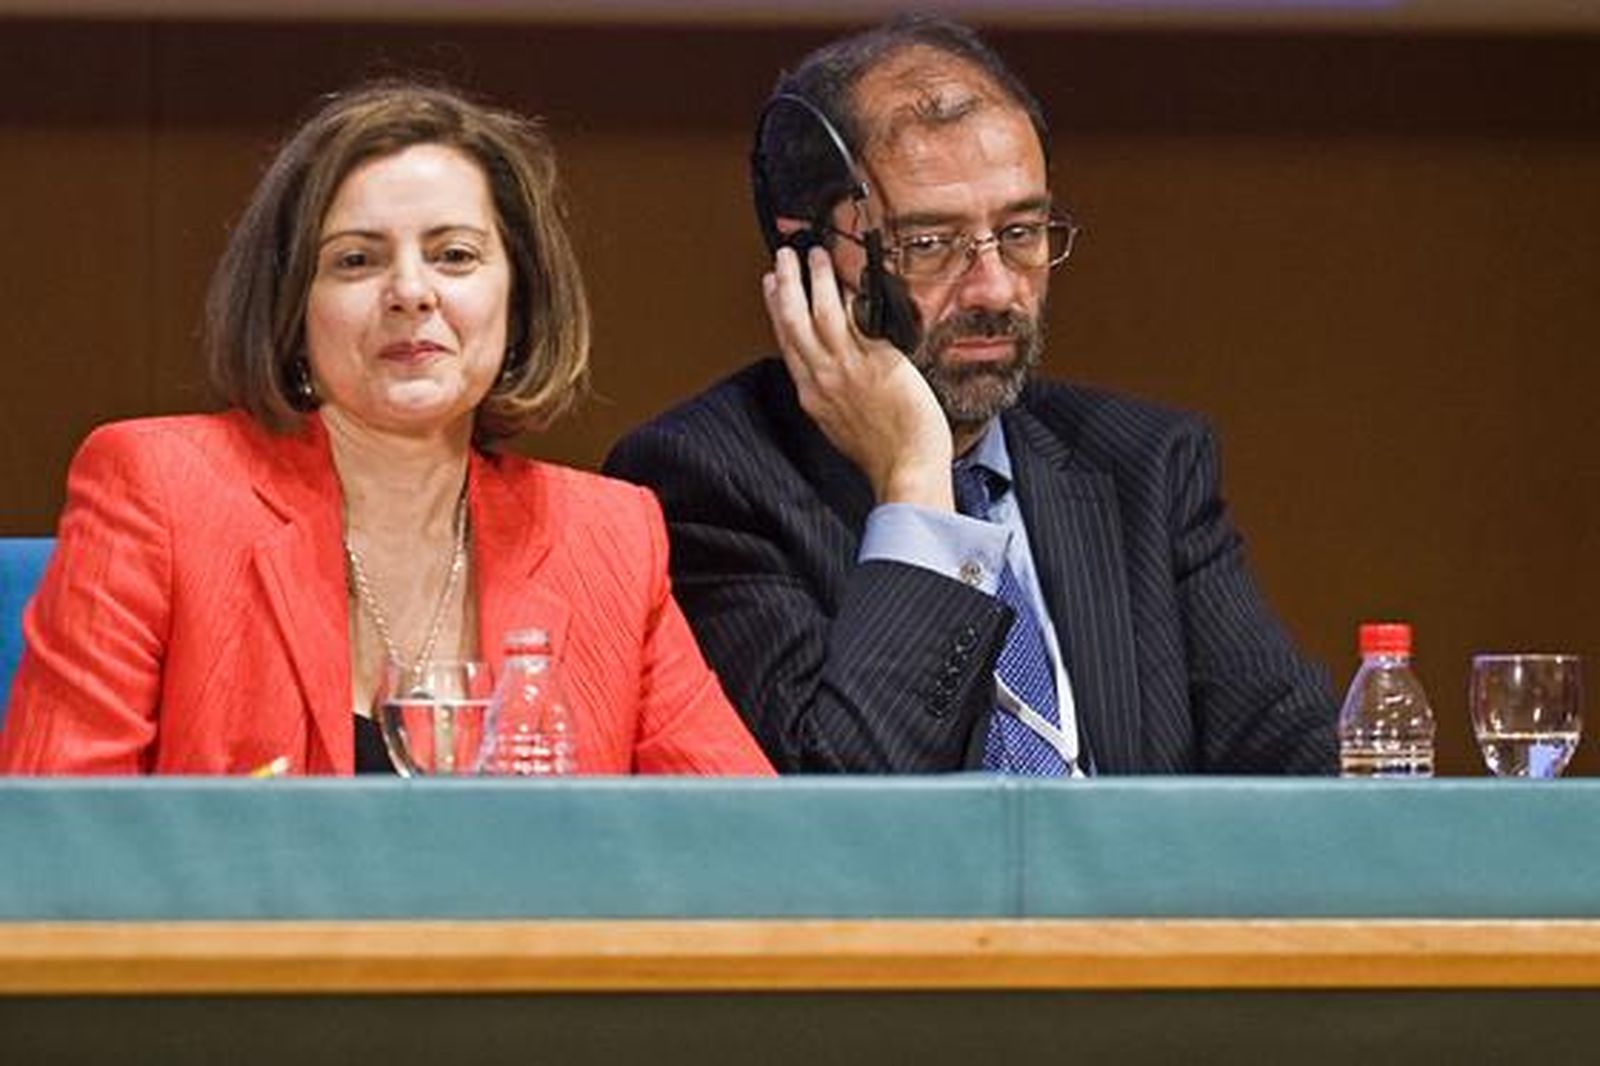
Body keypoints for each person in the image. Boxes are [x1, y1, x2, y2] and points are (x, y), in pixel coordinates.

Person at [604, 16, 1337, 775]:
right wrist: (916, 489)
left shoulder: (1146, 466)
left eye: (1021, 232)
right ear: (809, 257)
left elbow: (1303, 771)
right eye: (929, 244)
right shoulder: (706, 482)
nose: (994, 288)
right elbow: (843, 811)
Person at [0, 82, 772, 777]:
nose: (410, 291)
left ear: (520, 298)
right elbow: (57, 841)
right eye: (357, 261)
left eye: (455, 256)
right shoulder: (159, 488)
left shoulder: (605, 536)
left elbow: (744, 842)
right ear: (292, 309)